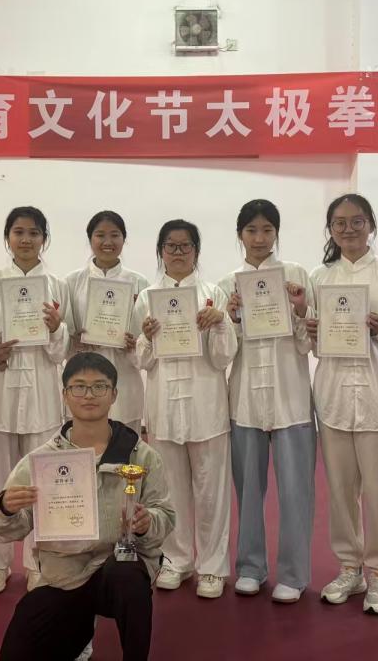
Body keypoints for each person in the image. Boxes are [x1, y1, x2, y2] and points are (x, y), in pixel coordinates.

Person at [0, 352, 176, 661]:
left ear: (114, 394)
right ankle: (78, 632)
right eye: (79, 387)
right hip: (63, 576)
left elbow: (165, 514)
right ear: (65, 395)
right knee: (17, 650)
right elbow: (5, 529)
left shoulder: (141, 456)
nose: (89, 395)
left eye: (99, 386)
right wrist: (5, 507)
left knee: (129, 578)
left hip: (117, 569)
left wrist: (147, 523)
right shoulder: (42, 460)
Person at [307, 194, 378, 616]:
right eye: (340, 223)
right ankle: (349, 567)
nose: (349, 229)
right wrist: (312, 330)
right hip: (334, 399)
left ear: (371, 224)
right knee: (340, 492)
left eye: (357, 221)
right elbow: (310, 340)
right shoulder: (319, 278)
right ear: (331, 230)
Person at [218, 199, 315, 604]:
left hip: (290, 396)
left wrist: (300, 310)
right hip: (245, 399)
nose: (259, 238)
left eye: (267, 230)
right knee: (248, 489)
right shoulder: (228, 284)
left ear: (276, 233)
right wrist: (231, 318)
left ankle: (293, 573)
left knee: (295, 491)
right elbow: (223, 352)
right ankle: (250, 567)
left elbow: (309, 343)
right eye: (251, 230)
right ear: (240, 234)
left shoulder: (296, 276)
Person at [134, 219, 237, 599]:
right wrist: (147, 338)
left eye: (185, 246)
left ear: (196, 250)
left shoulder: (213, 295)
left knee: (212, 491)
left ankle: (212, 567)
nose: (178, 253)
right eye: (170, 246)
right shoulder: (147, 298)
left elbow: (223, 357)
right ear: (160, 251)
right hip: (163, 406)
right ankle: (176, 560)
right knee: (170, 490)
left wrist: (220, 324)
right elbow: (141, 360)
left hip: (206, 405)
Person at [0, 206, 72, 595]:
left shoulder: (57, 286)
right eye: (18, 232)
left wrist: (56, 329)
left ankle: (37, 562)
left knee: (42, 484)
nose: (26, 239)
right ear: (7, 238)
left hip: (43, 395)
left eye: (34, 232)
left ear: (44, 239)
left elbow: (63, 351)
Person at [65, 210, 149, 435]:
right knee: (84, 448)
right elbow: (65, 332)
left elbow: (147, 336)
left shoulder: (139, 282)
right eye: (100, 235)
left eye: (115, 235)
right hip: (83, 375)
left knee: (125, 447)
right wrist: (74, 339)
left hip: (125, 377)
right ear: (90, 239)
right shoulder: (72, 282)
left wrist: (135, 342)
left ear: (124, 239)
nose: (108, 242)